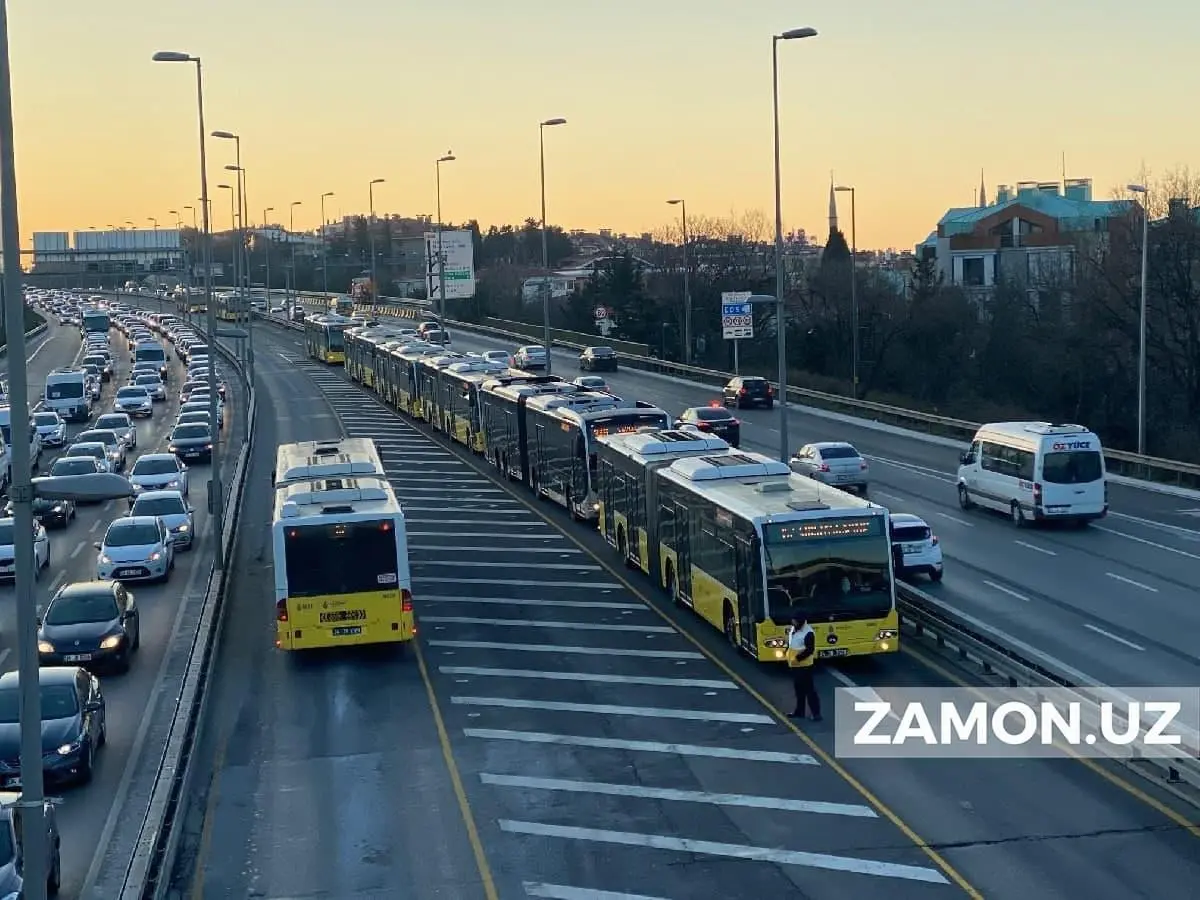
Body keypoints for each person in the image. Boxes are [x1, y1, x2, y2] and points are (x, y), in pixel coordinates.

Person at [787, 612, 821, 721]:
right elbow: (792, 643)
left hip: (804, 666)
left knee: (809, 690)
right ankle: (799, 711)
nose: (792, 622)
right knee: (799, 690)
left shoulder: (808, 633)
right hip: (795, 665)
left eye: (794, 620)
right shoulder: (794, 629)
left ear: (800, 621)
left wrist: (797, 659)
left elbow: (810, 650)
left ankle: (816, 714)